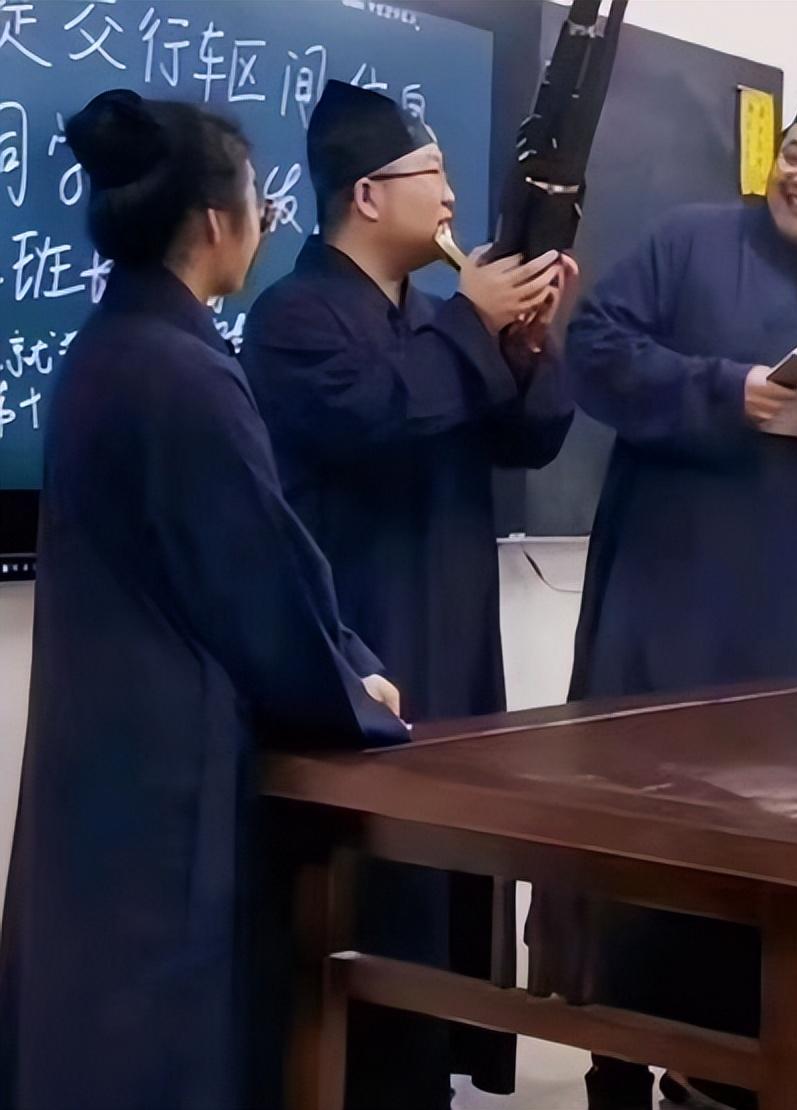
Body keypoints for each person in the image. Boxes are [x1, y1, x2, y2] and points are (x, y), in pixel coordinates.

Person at [546, 78, 797, 1110]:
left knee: (769, 844)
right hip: (662, 606)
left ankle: (729, 1071)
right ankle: (615, 1064)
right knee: (637, 830)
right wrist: (728, 391)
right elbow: (595, 349)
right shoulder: (686, 243)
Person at [0, 89, 405, 1110]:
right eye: (261, 203)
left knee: (91, 993)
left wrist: (344, 658)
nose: (268, 222)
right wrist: (356, 693)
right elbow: (256, 577)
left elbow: (260, 550)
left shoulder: (110, 345)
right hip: (168, 743)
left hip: (100, 726)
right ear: (220, 222)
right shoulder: (184, 369)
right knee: (166, 1009)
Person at [241, 82, 577, 1104]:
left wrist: (530, 343)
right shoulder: (292, 316)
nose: (450, 197)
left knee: (446, 888)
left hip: (457, 640)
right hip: (364, 642)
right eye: (431, 174)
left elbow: (529, 441)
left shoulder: (434, 317)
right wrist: (474, 326)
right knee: (370, 905)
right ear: (366, 195)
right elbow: (377, 416)